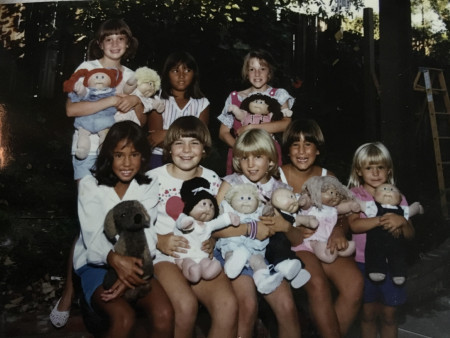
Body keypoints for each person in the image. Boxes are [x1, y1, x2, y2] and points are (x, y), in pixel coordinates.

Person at [50, 18, 146, 328]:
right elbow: (71, 109)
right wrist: (111, 100)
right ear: (100, 44)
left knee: (111, 218)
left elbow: (139, 122)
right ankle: (69, 291)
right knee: (85, 221)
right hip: (87, 151)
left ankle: (110, 284)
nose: (115, 44)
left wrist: (134, 101)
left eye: (121, 38)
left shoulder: (133, 77)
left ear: (128, 44)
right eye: (109, 39)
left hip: (117, 155)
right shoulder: (88, 67)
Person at [72, 121, 174, 337]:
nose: (127, 163)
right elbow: (93, 236)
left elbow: (146, 232)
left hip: (138, 261)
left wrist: (129, 271)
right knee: (124, 318)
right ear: (109, 155)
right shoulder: (91, 186)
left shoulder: (148, 185)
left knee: (164, 314)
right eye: (119, 155)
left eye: (134, 154)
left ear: (143, 157)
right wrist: (117, 263)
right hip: (97, 264)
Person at [146, 116, 238, 338]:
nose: (186, 150)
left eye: (194, 143)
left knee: (227, 304)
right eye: (179, 143)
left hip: (198, 255)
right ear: (168, 148)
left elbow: (218, 219)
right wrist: (159, 239)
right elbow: (137, 224)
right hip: (165, 256)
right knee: (186, 306)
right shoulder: (152, 179)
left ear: (204, 149)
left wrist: (214, 238)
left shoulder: (212, 179)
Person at [214, 128, 301, 338]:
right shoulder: (231, 183)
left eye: (258, 157)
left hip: (267, 256)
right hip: (234, 253)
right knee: (248, 306)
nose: (251, 164)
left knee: (287, 308)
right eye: (244, 158)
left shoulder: (280, 189)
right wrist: (251, 229)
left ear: (270, 160)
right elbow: (214, 228)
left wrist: (285, 226)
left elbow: (297, 237)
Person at [280, 119, 363, 337]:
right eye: (295, 145)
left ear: (317, 149)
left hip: (326, 239)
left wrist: (338, 230)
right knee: (317, 284)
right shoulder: (278, 176)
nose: (301, 151)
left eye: (307, 144)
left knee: (354, 284)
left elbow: (344, 214)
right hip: (296, 245)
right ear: (287, 150)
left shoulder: (328, 176)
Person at [347, 142, 415, 338]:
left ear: (389, 170)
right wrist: (380, 219)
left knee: (389, 315)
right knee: (367, 314)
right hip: (363, 263)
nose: (375, 173)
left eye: (380, 167)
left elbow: (410, 234)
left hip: (392, 266)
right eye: (369, 168)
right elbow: (354, 225)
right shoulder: (356, 195)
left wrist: (402, 221)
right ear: (359, 171)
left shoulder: (396, 197)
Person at [217, 49, 294, 174]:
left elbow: (286, 124)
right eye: (252, 69)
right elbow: (223, 132)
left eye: (262, 69)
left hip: (269, 155)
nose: (257, 74)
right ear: (247, 73)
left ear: (269, 72)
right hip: (240, 156)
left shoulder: (279, 95)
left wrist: (251, 127)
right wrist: (240, 149)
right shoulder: (234, 97)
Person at [147, 51, 210, 169]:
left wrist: (166, 133)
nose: (181, 76)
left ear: (194, 74)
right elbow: (155, 139)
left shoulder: (202, 103)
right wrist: (188, 135)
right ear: (167, 74)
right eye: (175, 71)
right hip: (159, 158)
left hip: (189, 158)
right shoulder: (157, 99)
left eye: (187, 70)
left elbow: (201, 137)